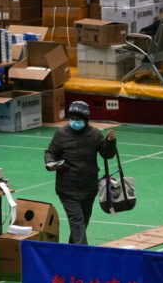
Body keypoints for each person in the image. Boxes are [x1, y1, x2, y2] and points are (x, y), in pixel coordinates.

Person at [44, 101, 117, 245]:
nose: (75, 121)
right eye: (72, 118)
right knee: (77, 221)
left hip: (89, 188)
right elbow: (50, 153)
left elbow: (107, 155)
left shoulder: (95, 134)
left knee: (83, 223)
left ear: (86, 119)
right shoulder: (61, 134)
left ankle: (72, 253)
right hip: (67, 189)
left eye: (79, 119)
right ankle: (84, 254)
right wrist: (50, 163)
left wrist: (110, 142)